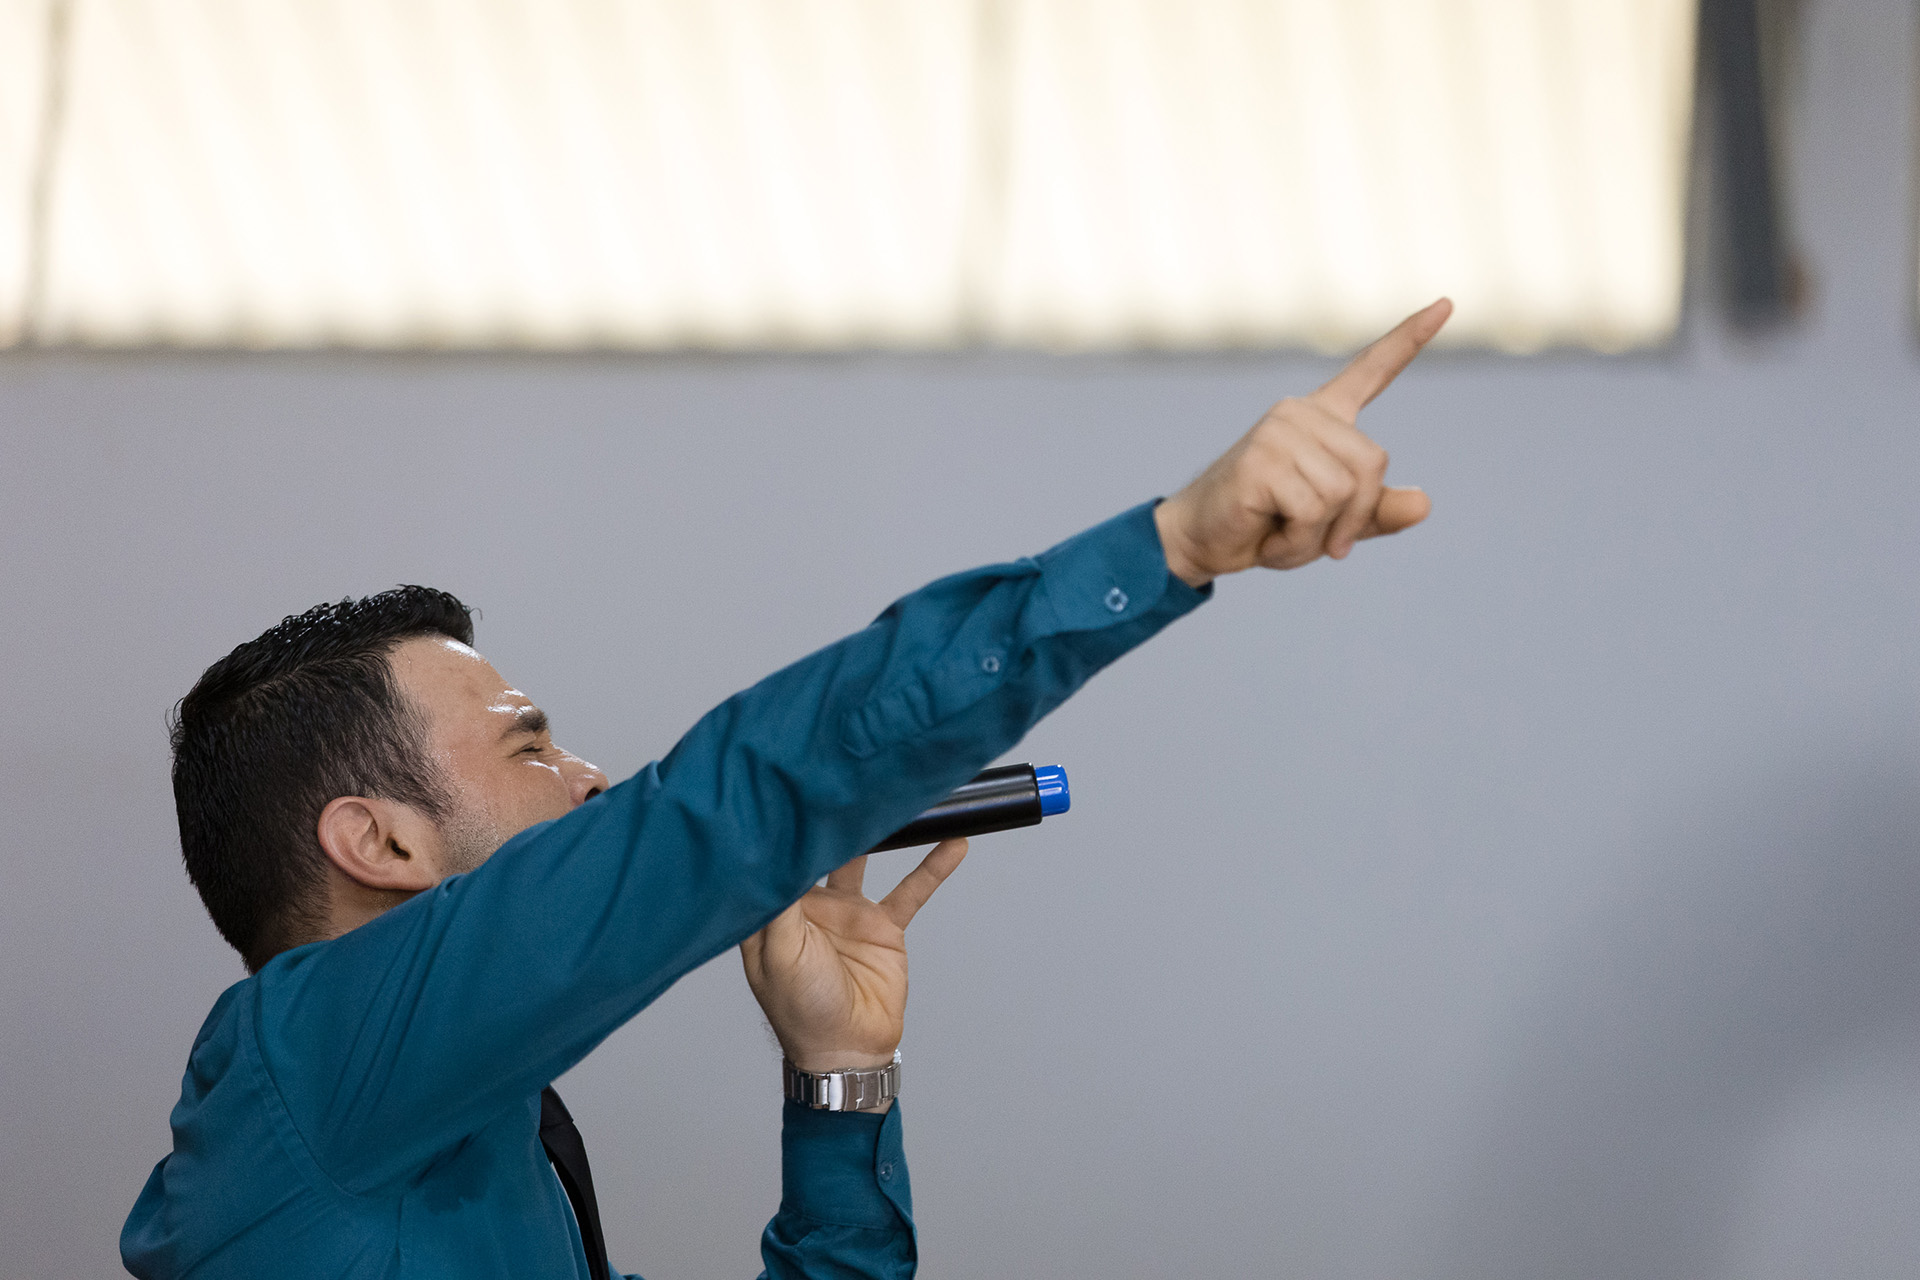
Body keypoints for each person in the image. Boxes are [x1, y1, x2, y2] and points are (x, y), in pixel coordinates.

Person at [122, 301, 1452, 1279]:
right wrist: (1168, 547)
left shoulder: (476, 1151)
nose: (591, 779)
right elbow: (716, 806)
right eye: (531, 745)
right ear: (380, 839)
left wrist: (839, 1077)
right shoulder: (298, 1063)